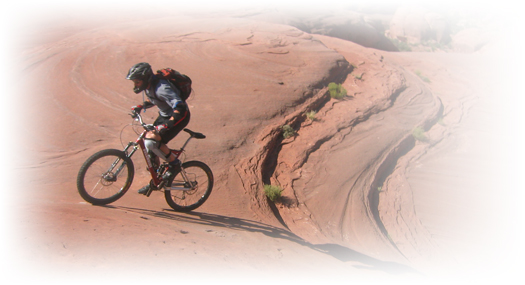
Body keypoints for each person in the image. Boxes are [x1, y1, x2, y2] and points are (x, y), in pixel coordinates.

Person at [126, 62, 191, 195]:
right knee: (148, 144)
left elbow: (180, 107)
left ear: (145, 79)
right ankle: (157, 180)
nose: (135, 85)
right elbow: (156, 99)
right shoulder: (150, 86)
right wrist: (141, 106)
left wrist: (169, 124)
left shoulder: (162, 88)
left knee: (152, 141)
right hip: (164, 116)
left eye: (137, 82)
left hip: (179, 117)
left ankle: (174, 164)